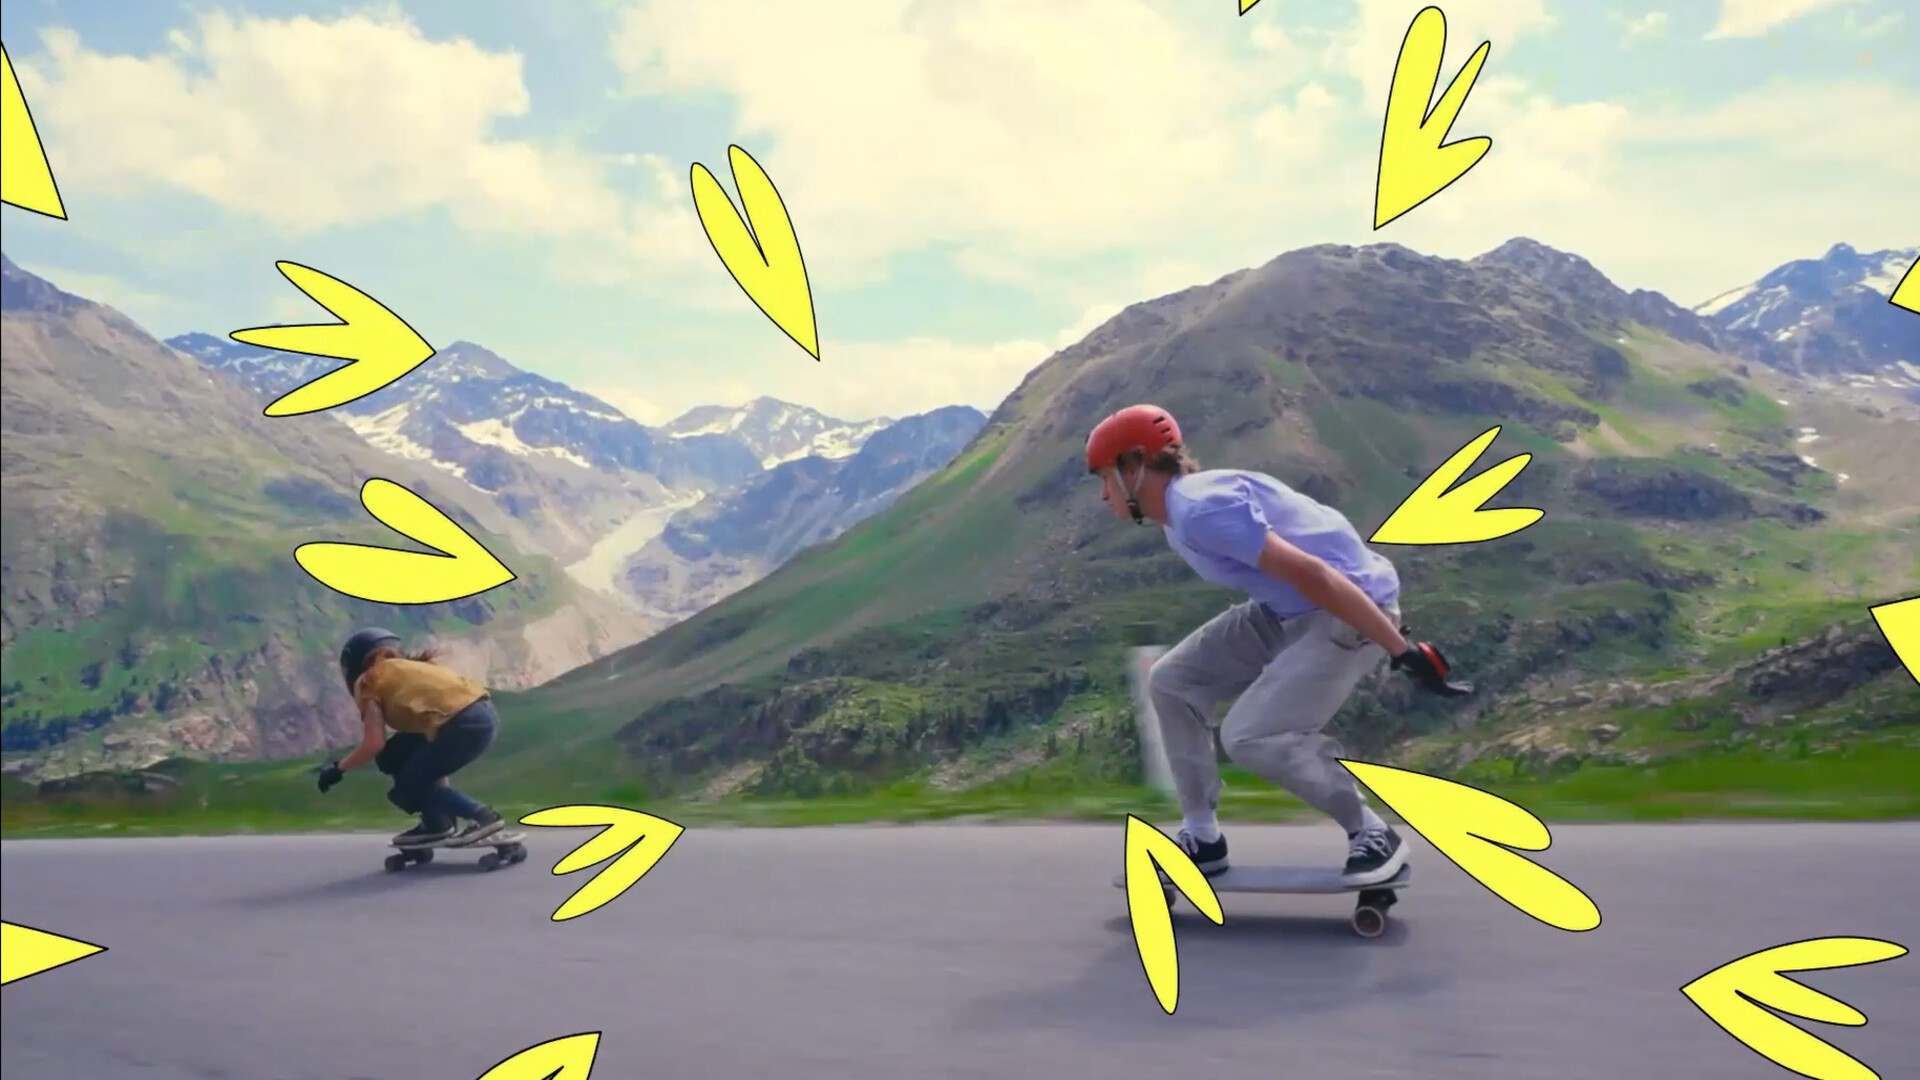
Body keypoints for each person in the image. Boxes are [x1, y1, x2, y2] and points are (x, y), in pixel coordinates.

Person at [1085, 404, 1471, 886]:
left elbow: (1315, 574)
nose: (1103, 494)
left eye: (1104, 478)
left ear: (1133, 466)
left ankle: (1371, 832)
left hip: (1346, 610)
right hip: (1287, 610)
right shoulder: (1178, 517)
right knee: (1172, 682)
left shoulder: (1201, 510)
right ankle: (1202, 839)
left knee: (1249, 736)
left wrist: (1399, 648)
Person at [316, 627, 507, 847]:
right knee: (392, 755)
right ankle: (437, 822)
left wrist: (337, 770)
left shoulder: (369, 682)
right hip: (483, 715)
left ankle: (483, 816)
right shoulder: (409, 669)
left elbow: (373, 743)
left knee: (410, 784)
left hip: (463, 725)